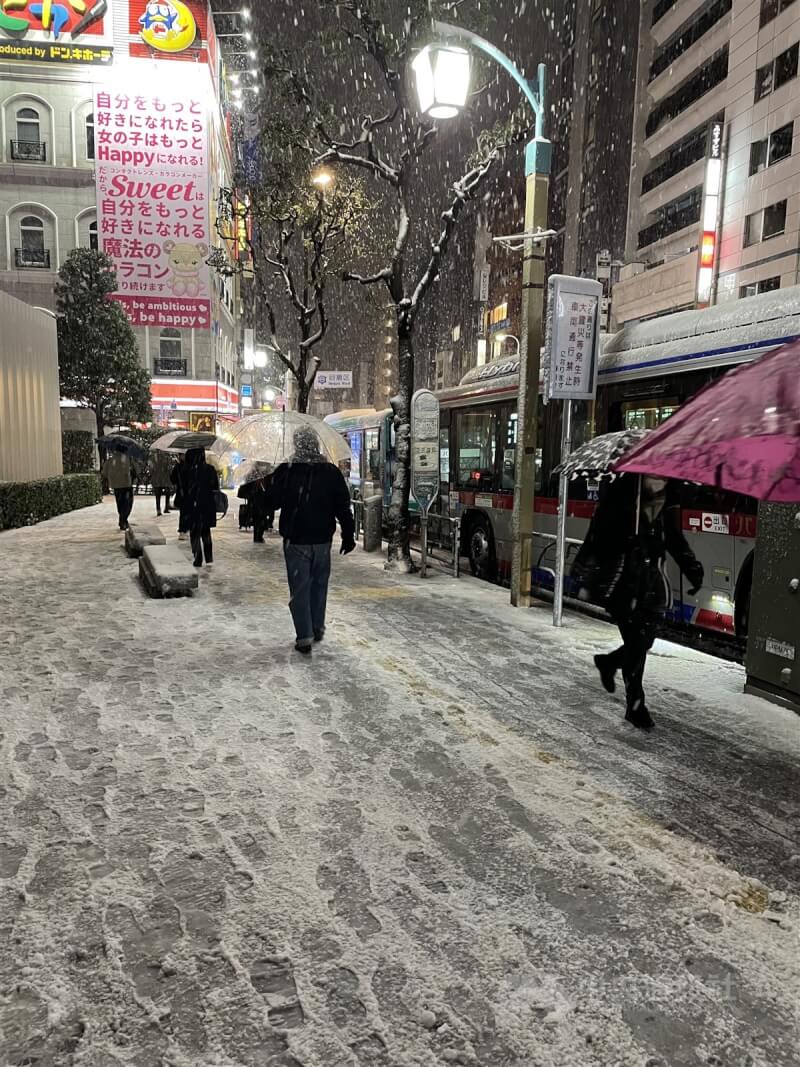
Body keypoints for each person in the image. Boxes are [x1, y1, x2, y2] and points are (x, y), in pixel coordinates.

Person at [573, 475, 703, 731]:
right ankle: (635, 704)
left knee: (643, 639)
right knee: (636, 638)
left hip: (650, 577)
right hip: (621, 576)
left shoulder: (671, 491)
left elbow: (674, 535)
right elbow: (598, 527)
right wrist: (587, 558)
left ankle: (610, 664)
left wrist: (691, 566)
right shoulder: (624, 486)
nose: (660, 478)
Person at [267, 427, 356, 656]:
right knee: (319, 585)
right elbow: (343, 507)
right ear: (316, 444)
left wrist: (271, 483)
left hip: (296, 539)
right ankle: (316, 626)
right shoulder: (330, 471)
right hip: (323, 540)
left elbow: (273, 503)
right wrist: (348, 534)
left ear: (297, 445)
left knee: (300, 588)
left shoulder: (287, 471)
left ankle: (304, 635)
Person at [183, 447, 220, 569]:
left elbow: (183, 486)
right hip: (207, 505)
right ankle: (208, 558)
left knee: (195, 532)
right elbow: (215, 486)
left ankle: (198, 557)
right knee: (205, 531)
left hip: (193, 505)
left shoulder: (189, 470)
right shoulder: (210, 469)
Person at [237, 467, 274, 544]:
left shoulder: (267, 475)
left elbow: (270, 487)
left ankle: (258, 536)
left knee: (261, 519)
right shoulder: (253, 475)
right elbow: (246, 487)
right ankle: (257, 537)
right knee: (258, 519)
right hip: (255, 501)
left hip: (262, 501)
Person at [102, 446, 134, 531]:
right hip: (126, 484)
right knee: (128, 503)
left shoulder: (111, 460)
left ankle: (123, 520)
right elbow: (137, 469)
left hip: (116, 485)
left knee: (120, 503)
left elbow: (104, 472)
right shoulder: (128, 459)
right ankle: (123, 520)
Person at [149, 449, 175, 517]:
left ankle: (162, 508)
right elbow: (169, 468)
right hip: (162, 478)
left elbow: (151, 469)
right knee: (162, 493)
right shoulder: (163, 457)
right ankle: (163, 508)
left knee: (160, 494)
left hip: (160, 478)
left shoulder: (154, 458)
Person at [171, 454, 190, 541]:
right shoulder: (179, 467)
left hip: (186, 492)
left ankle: (185, 529)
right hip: (185, 492)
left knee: (186, 512)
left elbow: (173, 479)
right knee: (184, 512)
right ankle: (183, 530)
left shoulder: (180, 466)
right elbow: (173, 478)